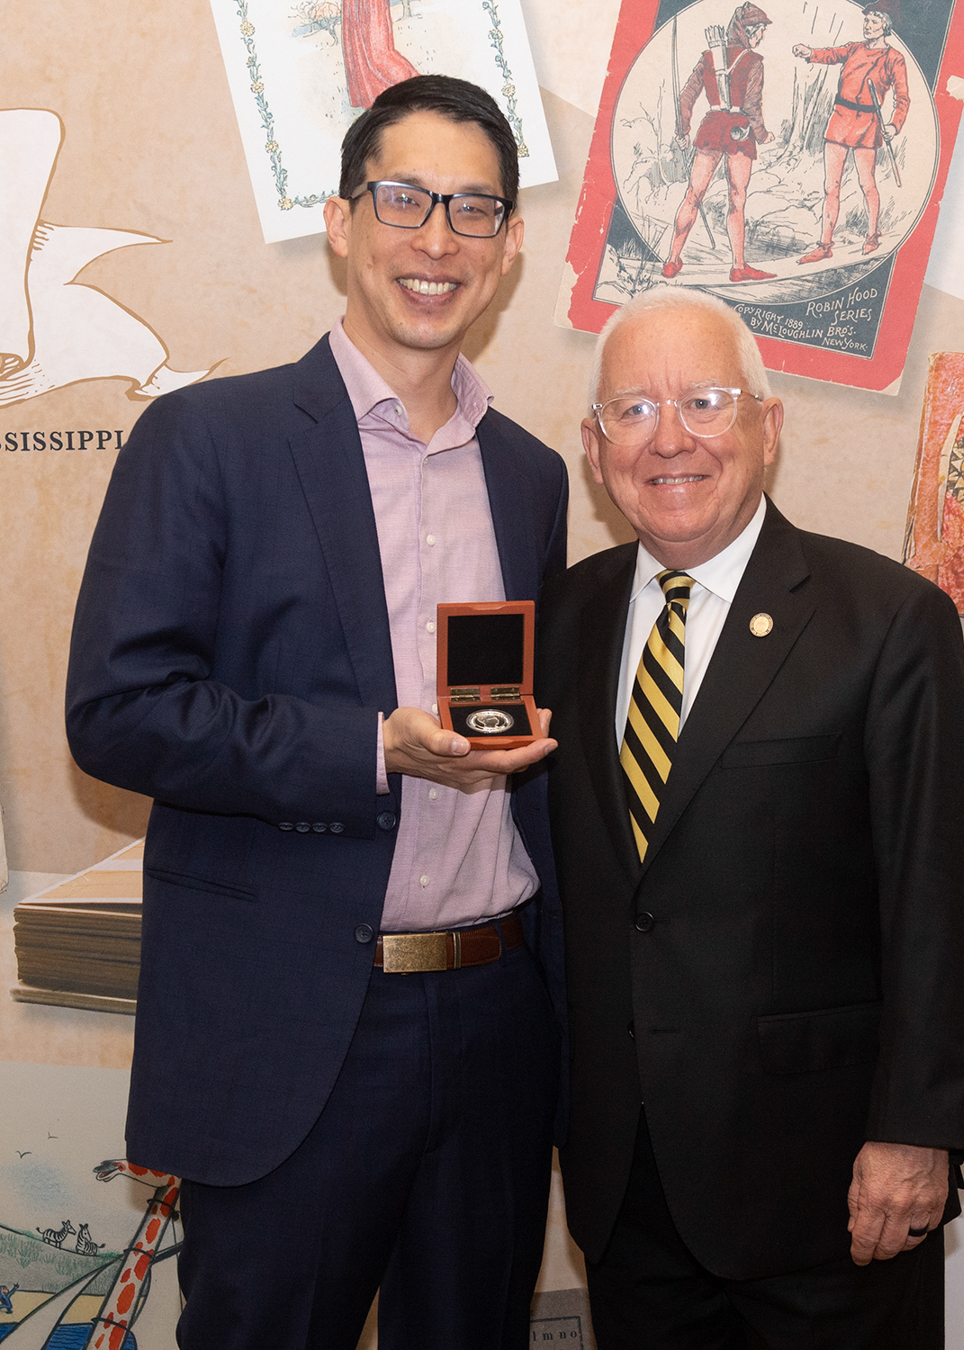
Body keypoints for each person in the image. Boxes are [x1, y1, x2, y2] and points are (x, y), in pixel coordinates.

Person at [66, 75, 568, 1350]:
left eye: (473, 209)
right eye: (403, 199)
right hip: (296, 1025)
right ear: (343, 223)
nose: (436, 239)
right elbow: (118, 712)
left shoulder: (532, 473)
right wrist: (369, 751)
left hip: (496, 1018)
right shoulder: (208, 439)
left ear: (508, 249)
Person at [537, 288, 964, 1348]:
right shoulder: (559, 622)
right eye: (633, 412)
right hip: (627, 1191)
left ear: (768, 425)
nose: (671, 439)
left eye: (705, 400)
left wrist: (917, 1136)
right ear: (594, 446)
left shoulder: (887, 623)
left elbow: (943, 903)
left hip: (829, 1193)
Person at [662, 5, 776, 284]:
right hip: (740, 131)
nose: (761, 37)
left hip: (712, 127)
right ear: (750, 31)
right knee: (737, 198)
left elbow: (685, 97)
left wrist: (682, 129)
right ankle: (738, 266)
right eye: (760, 32)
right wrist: (763, 135)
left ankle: (671, 261)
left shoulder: (709, 57)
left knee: (693, 195)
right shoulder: (754, 61)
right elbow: (751, 107)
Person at [794, 8, 910, 262]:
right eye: (866, 20)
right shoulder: (854, 48)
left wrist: (893, 126)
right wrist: (810, 53)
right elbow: (831, 54)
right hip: (840, 120)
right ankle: (824, 245)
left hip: (868, 124)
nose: (867, 25)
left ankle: (872, 235)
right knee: (830, 187)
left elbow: (902, 99)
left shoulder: (894, 58)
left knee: (866, 183)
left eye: (874, 21)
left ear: (885, 26)